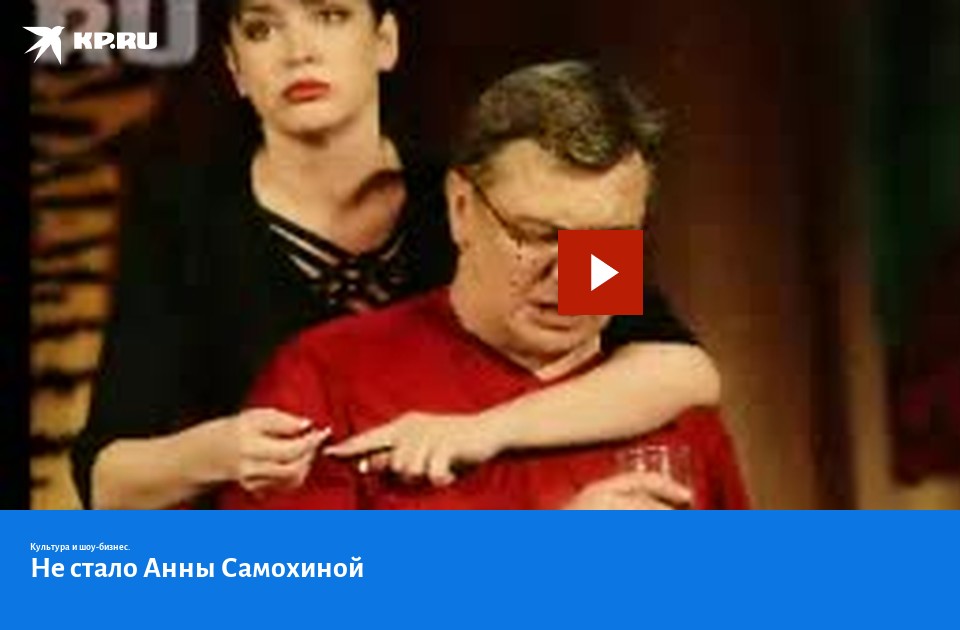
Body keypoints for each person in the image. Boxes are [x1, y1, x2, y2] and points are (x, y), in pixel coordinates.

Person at [72, 0, 720, 510]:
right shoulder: (184, 222)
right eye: (263, 28)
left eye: (330, 15)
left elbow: (681, 368)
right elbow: (105, 483)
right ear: (235, 67)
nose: (299, 51)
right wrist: (221, 451)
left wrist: (481, 431)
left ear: (384, 41)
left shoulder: (493, 199)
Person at [220, 60, 749, 510]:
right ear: (460, 209)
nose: (571, 276)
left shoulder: (676, 411)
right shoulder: (326, 377)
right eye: (537, 235)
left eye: (606, 240)